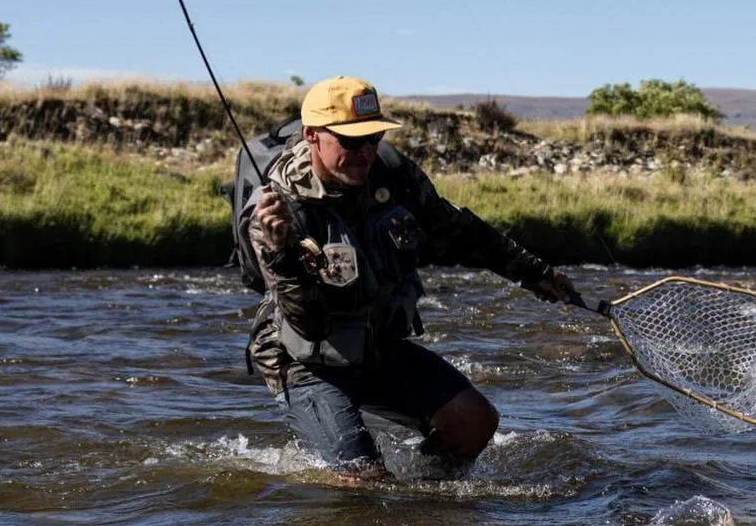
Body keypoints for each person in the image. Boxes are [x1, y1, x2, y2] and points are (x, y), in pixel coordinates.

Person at [241, 75, 580, 482]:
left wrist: (534, 273)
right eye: (350, 142)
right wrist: (283, 256)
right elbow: (308, 323)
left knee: (474, 422)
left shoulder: (391, 172)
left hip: (377, 345)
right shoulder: (274, 214)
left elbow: (458, 229)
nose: (366, 151)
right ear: (312, 136)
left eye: (374, 136)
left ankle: (421, 497)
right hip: (305, 360)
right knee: (364, 481)